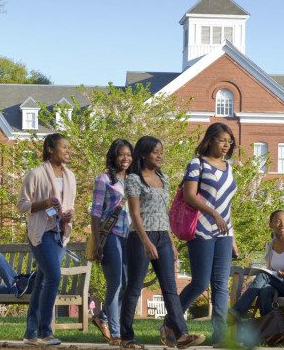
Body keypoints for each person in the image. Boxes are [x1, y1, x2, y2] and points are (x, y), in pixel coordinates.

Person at [120, 136, 205, 350]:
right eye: (155, 152)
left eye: (161, 151)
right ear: (143, 154)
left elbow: (163, 213)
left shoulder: (163, 178)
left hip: (163, 237)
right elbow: (135, 214)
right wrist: (147, 242)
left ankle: (181, 334)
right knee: (134, 287)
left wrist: (171, 241)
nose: (160, 155)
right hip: (141, 237)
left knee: (170, 288)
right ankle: (127, 337)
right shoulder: (133, 179)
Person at [164, 123, 237, 347]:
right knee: (200, 283)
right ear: (210, 140)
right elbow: (189, 195)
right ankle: (170, 323)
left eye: (229, 141)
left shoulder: (229, 167)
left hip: (224, 233)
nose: (226, 145)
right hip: (201, 229)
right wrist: (213, 214)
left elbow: (227, 205)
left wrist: (233, 237)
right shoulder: (197, 163)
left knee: (221, 285)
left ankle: (220, 336)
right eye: (222, 140)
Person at [18, 133, 77, 346]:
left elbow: (70, 205)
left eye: (69, 148)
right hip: (41, 232)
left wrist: (68, 215)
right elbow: (22, 205)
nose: (68, 151)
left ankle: (30, 334)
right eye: (64, 147)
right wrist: (43, 204)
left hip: (60, 233)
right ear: (50, 149)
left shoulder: (70, 177)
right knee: (54, 276)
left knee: (42, 281)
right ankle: (45, 332)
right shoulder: (35, 174)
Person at [90, 139, 133, 346]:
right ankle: (116, 334)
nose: (126, 159)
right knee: (115, 283)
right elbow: (96, 213)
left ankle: (103, 317)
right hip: (111, 236)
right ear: (114, 156)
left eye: (129, 155)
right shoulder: (104, 180)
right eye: (121, 154)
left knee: (127, 283)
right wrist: (98, 241)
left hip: (130, 236)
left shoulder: (133, 180)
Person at [230, 210, 284, 319]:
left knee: (264, 276)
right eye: (278, 221)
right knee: (265, 290)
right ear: (270, 224)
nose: (283, 224)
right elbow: (271, 272)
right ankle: (271, 331)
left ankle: (237, 312)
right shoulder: (270, 246)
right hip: (279, 287)